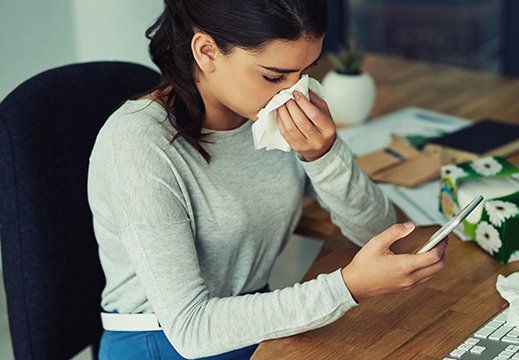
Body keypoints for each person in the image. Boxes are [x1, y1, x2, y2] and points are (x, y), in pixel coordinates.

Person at [87, 1, 448, 359]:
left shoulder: (270, 114)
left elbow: (377, 230)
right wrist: (347, 287)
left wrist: (323, 155)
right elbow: (190, 329)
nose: (295, 94)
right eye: (274, 77)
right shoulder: (137, 145)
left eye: (305, 72)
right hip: (166, 342)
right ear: (207, 52)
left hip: (258, 323)